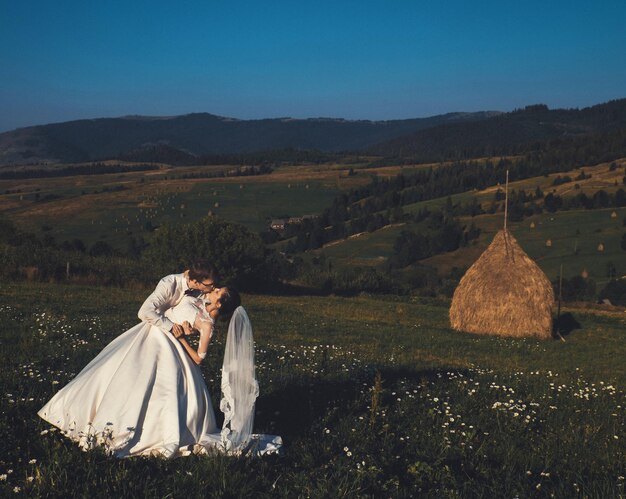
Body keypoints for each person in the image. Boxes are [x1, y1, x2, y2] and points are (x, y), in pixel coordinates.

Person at [38, 280, 282, 457]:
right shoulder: (197, 299)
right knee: (120, 374)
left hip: (171, 347)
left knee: (156, 387)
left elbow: (198, 359)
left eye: (218, 291)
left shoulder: (208, 325)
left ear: (220, 302)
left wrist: (182, 337)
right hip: (150, 336)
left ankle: (141, 430)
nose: (213, 289)